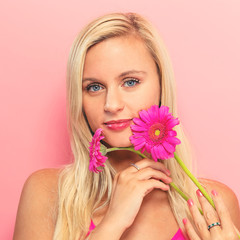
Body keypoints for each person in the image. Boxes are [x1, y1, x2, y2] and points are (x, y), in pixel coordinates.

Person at [13, 12, 240, 240]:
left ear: (162, 86)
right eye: (94, 87)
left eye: (130, 82)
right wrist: (113, 223)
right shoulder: (47, 194)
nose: (111, 104)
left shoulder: (211, 205)